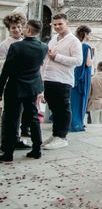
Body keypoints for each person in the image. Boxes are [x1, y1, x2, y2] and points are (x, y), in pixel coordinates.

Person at [0, 20, 47, 161]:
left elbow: (6, 70)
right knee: (33, 118)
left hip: (15, 87)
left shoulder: (16, 47)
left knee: (11, 119)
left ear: (28, 30)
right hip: (32, 87)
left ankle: (8, 153)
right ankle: (37, 150)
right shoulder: (43, 47)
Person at [42, 13, 83, 150]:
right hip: (49, 78)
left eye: (60, 24)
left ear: (67, 23)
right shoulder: (54, 39)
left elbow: (78, 61)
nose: (57, 26)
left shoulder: (74, 41)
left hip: (62, 79)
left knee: (62, 108)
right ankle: (55, 134)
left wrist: (57, 57)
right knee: (54, 108)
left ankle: (62, 137)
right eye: (55, 24)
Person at [0, 13, 31, 151]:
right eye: (13, 28)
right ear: (9, 29)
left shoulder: (26, 41)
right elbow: (2, 65)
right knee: (8, 114)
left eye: (19, 27)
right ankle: (5, 141)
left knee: (20, 113)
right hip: (11, 82)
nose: (17, 30)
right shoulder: (5, 45)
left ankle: (16, 138)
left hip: (25, 82)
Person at [69, 25, 93, 132]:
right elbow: (88, 63)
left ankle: (72, 122)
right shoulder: (86, 47)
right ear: (86, 34)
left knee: (73, 100)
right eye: (89, 34)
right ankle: (78, 123)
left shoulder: (74, 45)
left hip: (74, 75)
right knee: (81, 100)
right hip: (84, 76)